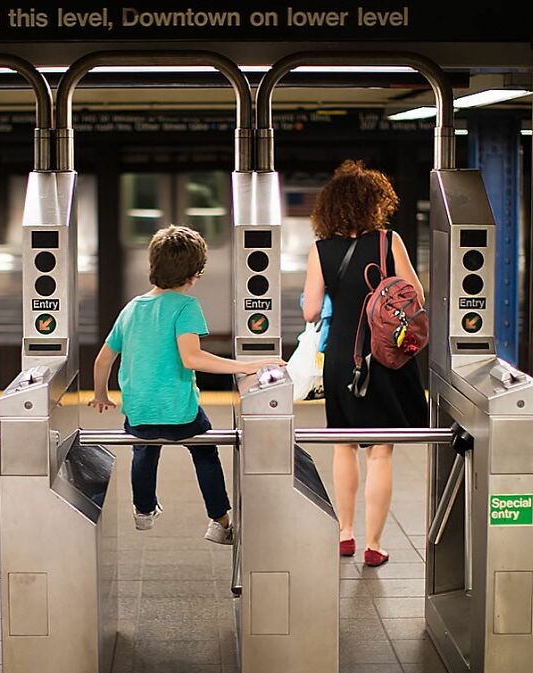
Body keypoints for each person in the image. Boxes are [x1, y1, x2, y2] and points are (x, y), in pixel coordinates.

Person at [89, 225, 285, 544]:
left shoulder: (131, 308)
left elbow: (102, 360)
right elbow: (192, 358)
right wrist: (249, 365)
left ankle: (143, 509)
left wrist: (101, 395)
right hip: (180, 412)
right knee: (204, 451)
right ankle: (219, 522)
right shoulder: (185, 307)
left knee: (144, 448)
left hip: (139, 410)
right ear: (194, 274)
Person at [301, 160, 427, 567]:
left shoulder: (320, 250)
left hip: (342, 355)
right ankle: (375, 544)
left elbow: (310, 310)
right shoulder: (389, 242)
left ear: (330, 208)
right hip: (385, 356)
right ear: (375, 203)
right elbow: (416, 297)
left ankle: (345, 533)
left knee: (343, 444)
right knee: (381, 451)